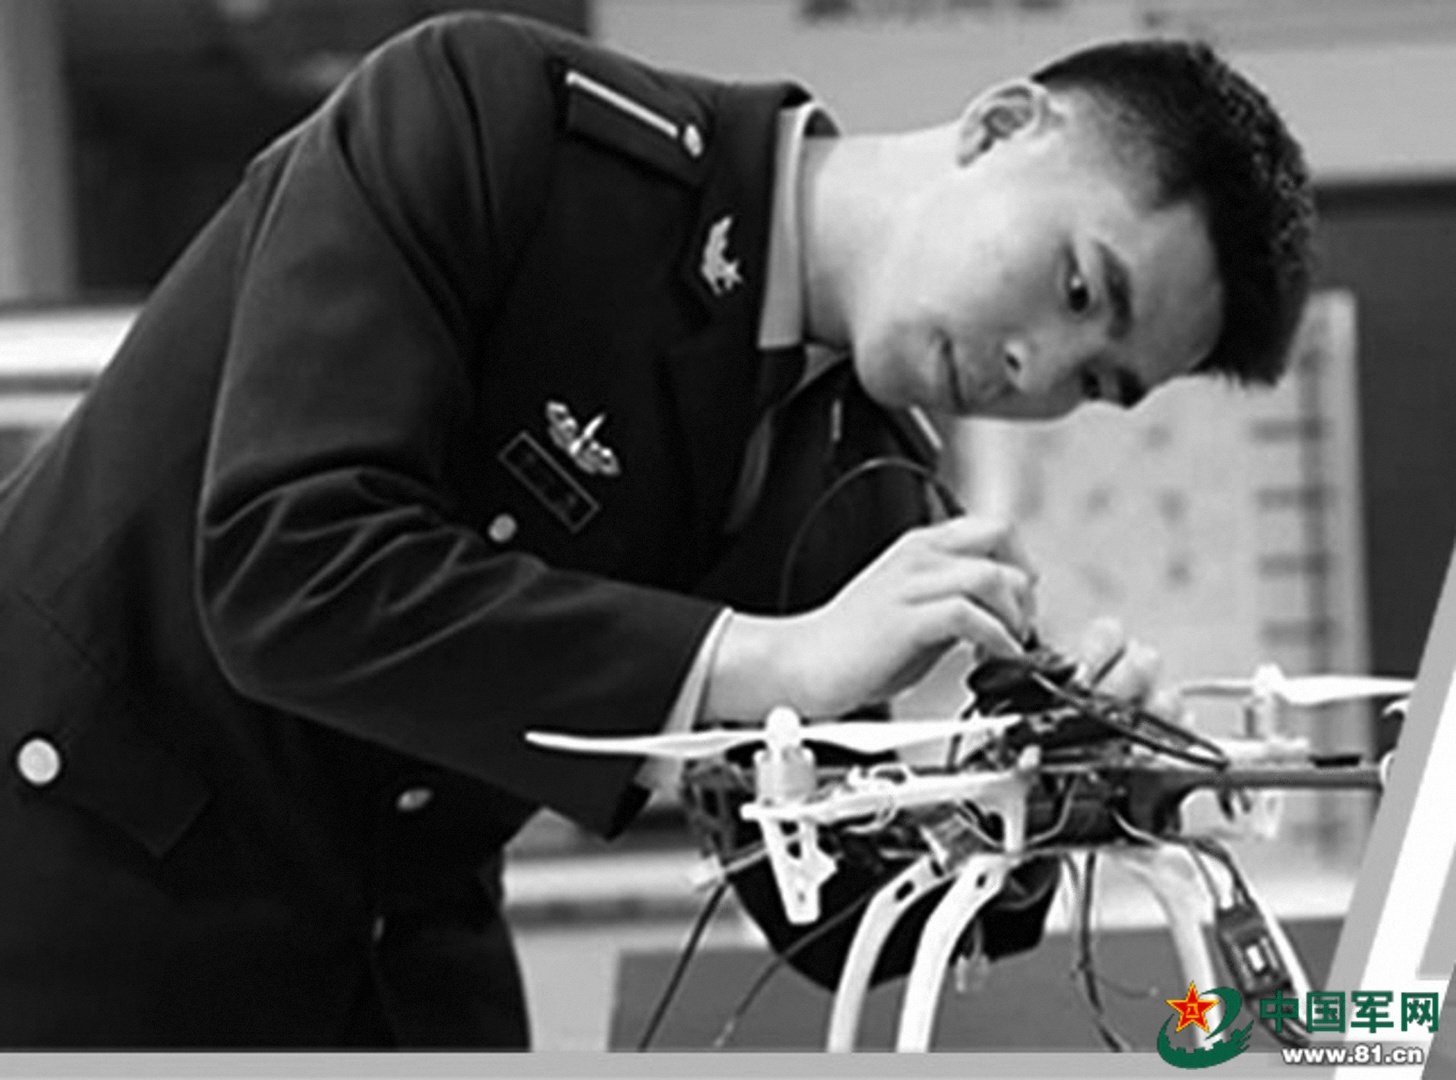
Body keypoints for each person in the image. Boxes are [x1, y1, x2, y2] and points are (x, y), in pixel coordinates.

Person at [0, 10, 1312, 1050]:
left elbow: (819, 906)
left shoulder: (866, 483)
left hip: (390, 958)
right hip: (77, 895)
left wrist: (1035, 800)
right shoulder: (497, 121)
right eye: (1079, 288)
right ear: (1000, 126)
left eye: (1097, 381)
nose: (1037, 372)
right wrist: (760, 657)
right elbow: (288, 570)